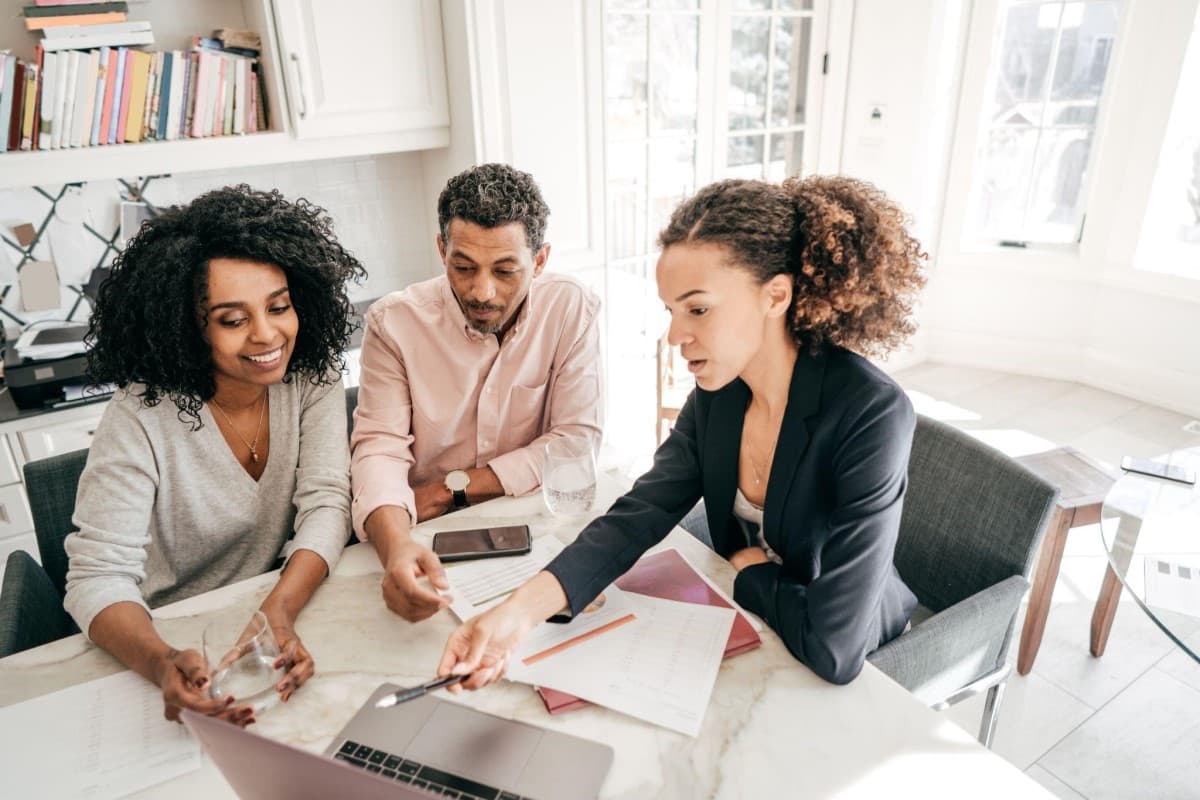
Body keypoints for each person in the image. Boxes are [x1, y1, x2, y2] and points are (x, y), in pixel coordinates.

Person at [437, 175, 927, 688]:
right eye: (671, 311)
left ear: (775, 295)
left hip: (863, 666)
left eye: (698, 309)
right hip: (764, 631)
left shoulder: (870, 413)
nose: (675, 336)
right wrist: (515, 616)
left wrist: (750, 572)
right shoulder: (721, 393)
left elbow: (835, 649)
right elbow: (641, 511)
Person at [63, 185, 364, 726]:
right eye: (232, 320)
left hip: (277, 606)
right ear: (187, 327)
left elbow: (327, 503)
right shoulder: (139, 416)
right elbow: (96, 579)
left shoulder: (312, 377)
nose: (267, 334)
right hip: (167, 636)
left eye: (279, 306)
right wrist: (162, 663)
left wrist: (278, 611)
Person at [350, 163, 603, 622]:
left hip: (534, 525)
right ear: (441, 248)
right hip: (426, 535)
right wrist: (396, 551)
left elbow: (575, 443)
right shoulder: (393, 324)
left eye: (506, 271)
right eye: (463, 267)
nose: (482, 291)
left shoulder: (571, 307)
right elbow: (378, 451)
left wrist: (453, 489)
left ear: (540, 261)